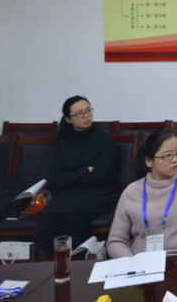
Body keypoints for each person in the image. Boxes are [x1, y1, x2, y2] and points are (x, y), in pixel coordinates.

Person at [107, 129, 177, 257]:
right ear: (149, 161)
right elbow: (116, 241)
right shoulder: (131, 191)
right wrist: (131, 262)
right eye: (168, 155)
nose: (175, 159)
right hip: (142, 261)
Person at [36, 96, 118, 260]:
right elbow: (54, 178)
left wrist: (71, 176)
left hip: (95, 194)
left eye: (88, 111)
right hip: (65, 196)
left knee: (73, 221)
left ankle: (78, 266)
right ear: (68, 119)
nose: (86, 116)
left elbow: (100, 175)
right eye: (80, 113)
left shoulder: (104, 139)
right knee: (46, 222)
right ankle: (55, 267)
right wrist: (85, 171)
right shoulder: (64, 143)